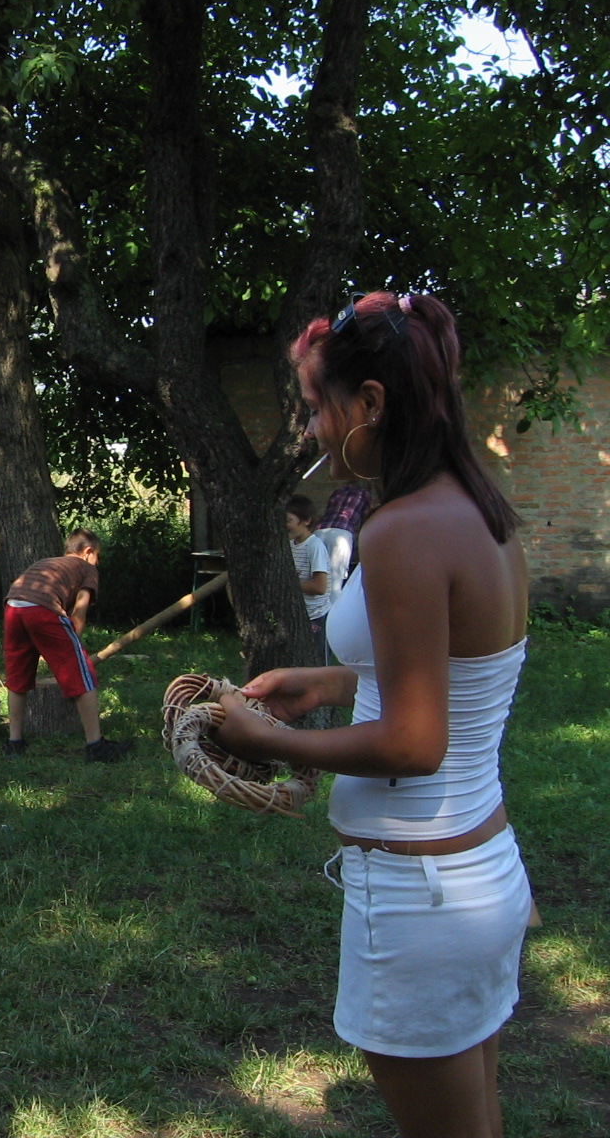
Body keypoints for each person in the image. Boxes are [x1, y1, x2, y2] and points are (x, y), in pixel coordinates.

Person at [213, 292, 531, 1138]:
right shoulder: (482, 512)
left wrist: (267, 738)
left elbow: (416, 742)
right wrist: (328, 684)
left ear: (371, 403)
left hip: (421, 895)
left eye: (317, 406)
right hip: (478, 871)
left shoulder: (402, 532)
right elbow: (454, 675)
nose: (313, 429)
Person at [1, 530, 132, 762]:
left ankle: (14, 742)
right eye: (97, 556)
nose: (97, 562)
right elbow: (79, 612)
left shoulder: (48, 563)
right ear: (88, 552)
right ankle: (96, 746)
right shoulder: (87, 568)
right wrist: (73, 648)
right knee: (83, 675)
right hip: (42, 608)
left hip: (13, 607)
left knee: (17, 676)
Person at [286, 494, 331, 664]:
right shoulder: (290, 545)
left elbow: (320, 587)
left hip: (317, 616)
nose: (284, 526)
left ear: (306, 520)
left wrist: (289, 585)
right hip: (298, 615)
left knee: (318, 664)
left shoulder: (314, 546)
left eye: (288, 520)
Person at [314, 482, 372, 613]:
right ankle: (332, 616)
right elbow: (365, 518)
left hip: (320, 530)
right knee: (335, 579)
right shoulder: (365, 494)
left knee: (315, 574)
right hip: (342, 532)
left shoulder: (338, 491)